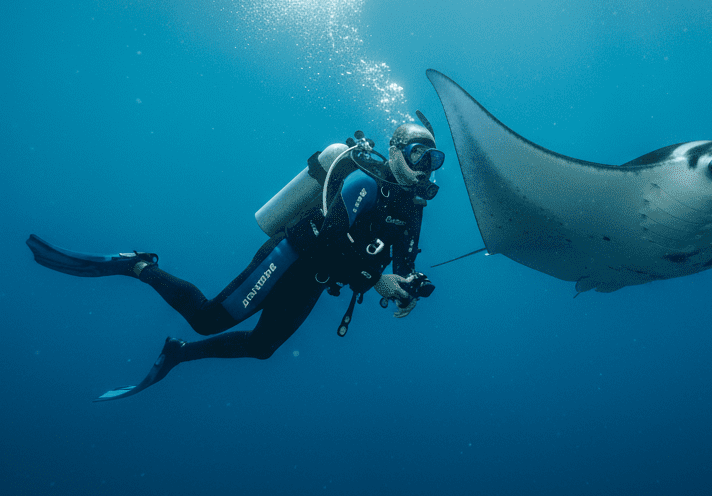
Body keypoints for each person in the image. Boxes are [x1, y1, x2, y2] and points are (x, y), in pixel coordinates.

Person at [26, 117, 444, 401]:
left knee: (262, 348)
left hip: (316, 279)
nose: (425, 167)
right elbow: (331, 239)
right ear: (395, 151)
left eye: (433, 160)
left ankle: (179, 353)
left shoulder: (413, 206)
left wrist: (407, 286)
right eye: (417, 155)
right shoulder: (364, 184)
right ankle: (137, 265)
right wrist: (375, 281)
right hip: (291, 256)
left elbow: (403, 262)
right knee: (208, 319)